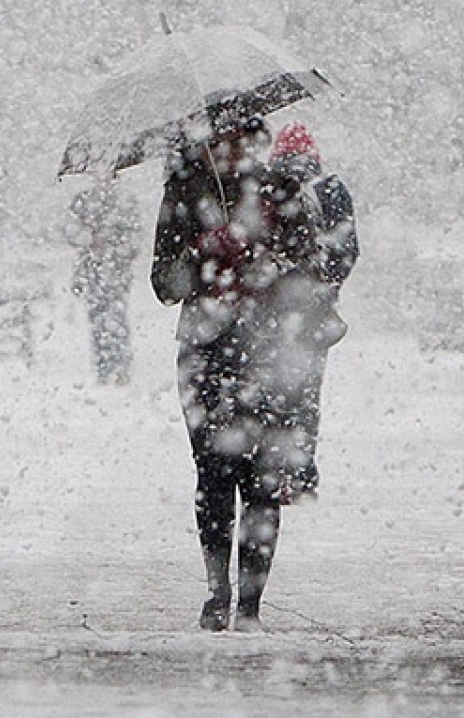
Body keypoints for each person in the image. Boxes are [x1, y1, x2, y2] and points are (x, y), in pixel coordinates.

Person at [151, 116, 358, 632]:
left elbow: (316, 269)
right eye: (222, 139)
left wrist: (266, 262)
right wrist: (204, 251)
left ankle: (251, 604)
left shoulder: (281, 190)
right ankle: (218, 593)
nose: (233, 148)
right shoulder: (183, 192)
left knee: (263, 480)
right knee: (215, 477)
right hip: (205, 349)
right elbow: (164, 283)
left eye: (243, 138)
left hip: (269, 351)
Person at [65, 179, 142, 384]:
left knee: (117, 316)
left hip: (117, 272)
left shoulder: (125, 204)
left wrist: (115, 244)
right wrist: (89, 239)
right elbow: (70, 233)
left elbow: (135, 240)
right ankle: (103, 366)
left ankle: (121, 366)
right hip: (92, 272)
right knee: (97, 318)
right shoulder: (83, 202)